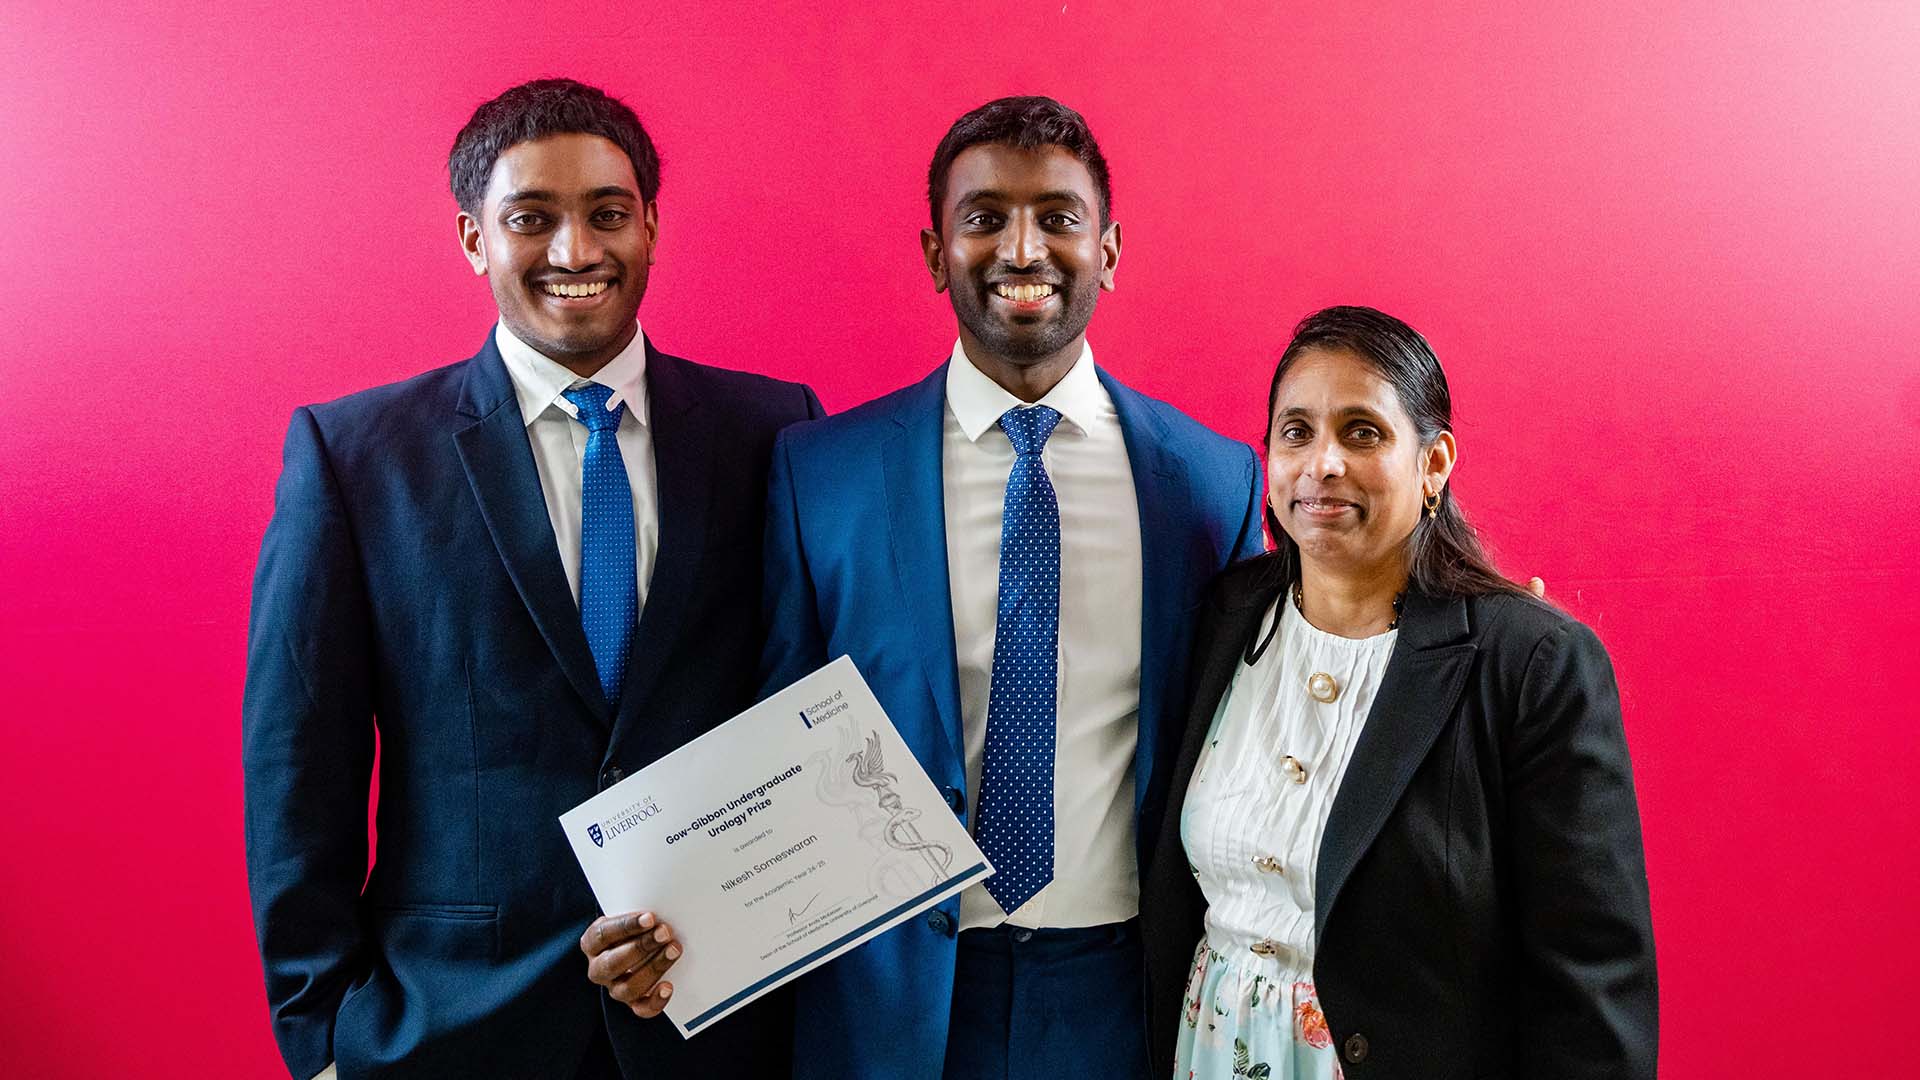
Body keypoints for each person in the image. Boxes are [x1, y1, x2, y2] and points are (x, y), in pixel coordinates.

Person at [242, 78, 821, 1080]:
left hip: (717, 1023)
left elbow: (803, 705)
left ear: (651, 225)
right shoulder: (354, 456)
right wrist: (321, 1033)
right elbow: (300, 760)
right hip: (451, 1023)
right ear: (474, 239)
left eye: (607, 215)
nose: (575, 252)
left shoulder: (772, 433)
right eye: (530, 219)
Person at [751, 96, 1265, 1079]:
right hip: (892, 1004)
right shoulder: (820, 475)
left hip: (1125, 996)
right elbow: (777, 741)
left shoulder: (1213, 483)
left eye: (1058, 218)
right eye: (983, 217)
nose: (1020, 247)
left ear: (1108, 251)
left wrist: (1469, 623)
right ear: (934, 249)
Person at [1139, 306, 1658, 1079]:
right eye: (1296, 432)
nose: (1323, 463)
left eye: (1362, 432)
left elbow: (1593, 982)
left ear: (1435, 462)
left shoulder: (1530, 665)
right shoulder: (1224, 618)